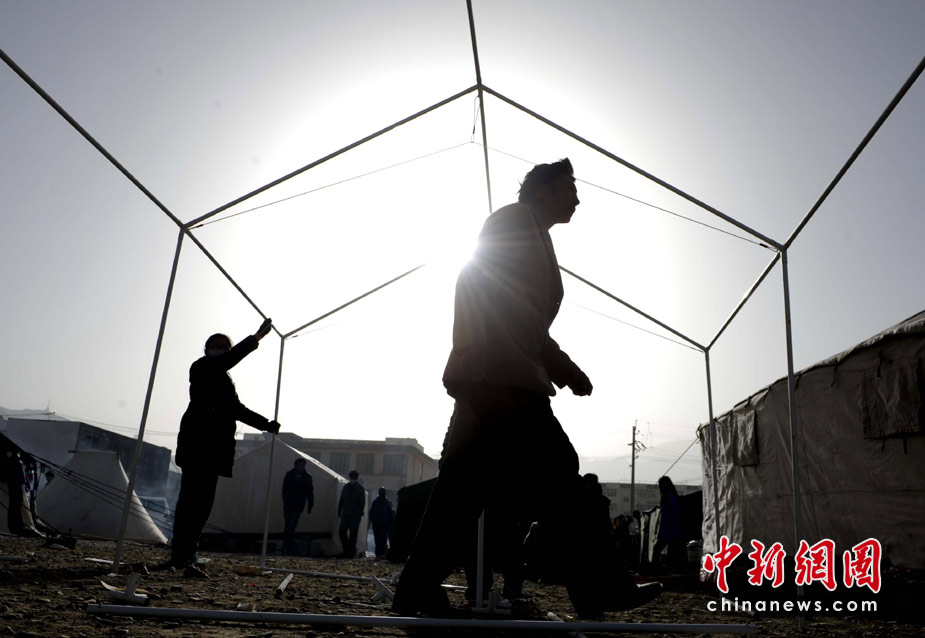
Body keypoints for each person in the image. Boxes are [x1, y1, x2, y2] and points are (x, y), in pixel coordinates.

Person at [392, 159, 660, 618]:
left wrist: (563, 367)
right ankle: (602, 587)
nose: (577, 199)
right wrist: (491, 358)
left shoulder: (534, 233)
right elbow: (483, 286)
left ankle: (414, 592)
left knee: (459, 492)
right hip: (501, 380)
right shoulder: (514, 221)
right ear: (542, 190)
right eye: (568, 188)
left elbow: (525, 320)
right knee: (563, 477)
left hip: (491, 378)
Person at [169, 317, 281, 576]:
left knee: (203, 505)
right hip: (196, 445)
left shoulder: (224, 378)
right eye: (216, 345)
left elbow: (235, 408)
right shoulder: (201, 367)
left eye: (224, 346)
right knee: (190, 502)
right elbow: (225, 362)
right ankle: (181, 553)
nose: (220, 350)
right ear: (206, 349)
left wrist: (265, 424)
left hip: (215, 449)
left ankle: (188, 552)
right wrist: (255, 338)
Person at [282, 458, 314, 555]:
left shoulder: (307, 477)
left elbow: (310, 492)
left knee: (291, 525)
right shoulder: (289, 475)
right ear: (296, 466)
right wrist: (285, 499)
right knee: (288, 525)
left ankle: (287, 545)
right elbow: (284, 489)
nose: (302, 467)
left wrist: (310, 506)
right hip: (288, 504)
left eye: (303, 465)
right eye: (301, 465)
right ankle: (287, 545)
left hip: (298, 505)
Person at [652, 475, 682, 569]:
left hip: (670, 528)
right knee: (668, 550)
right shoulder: (668, 496)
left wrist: (666, 518)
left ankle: (655, 568)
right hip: (668, 528)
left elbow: (676, 509)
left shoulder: (669, 496)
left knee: (658, 548)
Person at [337, 470, 365, 558]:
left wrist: (358, 514)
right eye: (351, 478)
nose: (352, 480)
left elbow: (362, 503)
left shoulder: (360, 489)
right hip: (347, 514)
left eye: (353, 478)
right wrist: (339, 510)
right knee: (342, 532)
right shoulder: (347, 487)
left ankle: (349, 553)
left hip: (354, 515)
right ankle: (348, 551)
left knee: (352, 535)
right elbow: (342, 499)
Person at [368, 487, 394, 558]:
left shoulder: (375, 502)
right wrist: (391, 523)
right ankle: (381, 553)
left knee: (377, 539)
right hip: (383, 524)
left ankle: (378, 553)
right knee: (383, 539)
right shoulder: (386, 503)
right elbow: (390, 514)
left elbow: (371, 513)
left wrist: (372, 520)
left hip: (377, 524)